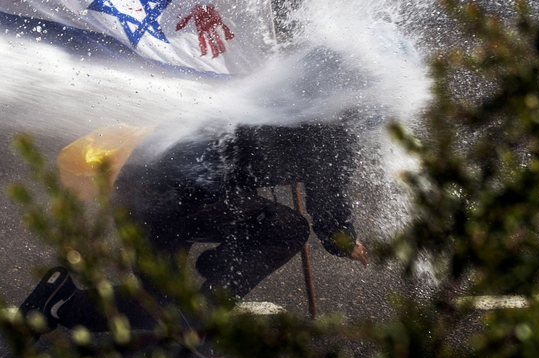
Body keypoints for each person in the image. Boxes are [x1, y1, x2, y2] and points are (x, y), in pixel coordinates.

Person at [19, 118, 369, 336]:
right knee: (287, 229)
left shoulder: (282, 98)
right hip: (179, 198)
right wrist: (343, 241)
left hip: (134, 190)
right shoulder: (335, 132)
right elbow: (328, 195)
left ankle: (58, 303)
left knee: (159, 304)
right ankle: (206, 311)